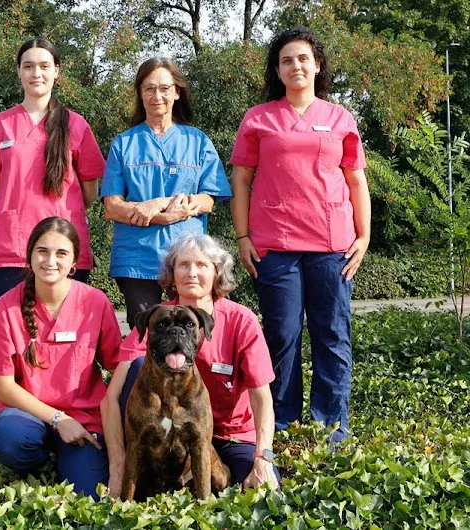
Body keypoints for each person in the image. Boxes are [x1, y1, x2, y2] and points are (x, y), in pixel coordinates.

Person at [229, 28, 371, 443]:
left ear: (317, 65)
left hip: (333, 245)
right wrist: (243, 238)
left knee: (332, 334)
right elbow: (241, 180)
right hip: (277, 244)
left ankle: (332, 426)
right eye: (287, 60)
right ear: (277, 69)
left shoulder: (340, 118)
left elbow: (357, 181)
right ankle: (284, 423)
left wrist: (364, 237)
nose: (296, 66)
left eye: (303, 58)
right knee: (281, 334)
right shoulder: (259, 118)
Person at [101, 233, 281, 497]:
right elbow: (111, 398)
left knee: (263, 494)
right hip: (164, 438)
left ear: (217, 273)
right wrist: (117, 465)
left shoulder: (242, 320)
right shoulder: (158, 319)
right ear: (171, 274)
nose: (191, 273)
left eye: (202, 265)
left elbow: (262, 398)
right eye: (183, 265)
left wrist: (263, 457)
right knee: (136, 365)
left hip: (231, 437)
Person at [0, 217, 122, 498]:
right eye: (42, 251)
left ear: (74, 263)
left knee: (89, 497)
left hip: (85, 422)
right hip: (27, 418)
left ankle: (72, 459)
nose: (50, 261)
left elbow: (119, 363)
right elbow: (3, 387)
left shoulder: (95, 303)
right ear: (29, 256)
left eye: (61, 253)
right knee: (10, 438)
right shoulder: (7, 307)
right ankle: (39, 458)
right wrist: (58, 419)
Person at [100, 58, 232, 329]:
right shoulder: (124, 144)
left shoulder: (197, 141)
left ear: (176, 92)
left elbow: (209, 199)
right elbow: (112, 206)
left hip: (187, 260)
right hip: (137, 259)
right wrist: (153, 216)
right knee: (146, 336)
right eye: (148, 89)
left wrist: (163, 204)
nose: (156, 96)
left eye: (164, 88)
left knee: (189, 334)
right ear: (140, 93)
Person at [0, 38, 106, 300]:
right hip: (10, 249)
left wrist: (58, 212)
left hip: (64, 248)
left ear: (56, 71)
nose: (36, 73)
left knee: (62, 332)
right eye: (28, 66)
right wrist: (14, 214)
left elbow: (89, 192)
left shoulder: (77, 126)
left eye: (44, 66)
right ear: (18, 71)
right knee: (15, 332)